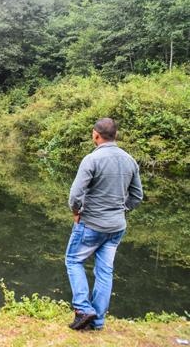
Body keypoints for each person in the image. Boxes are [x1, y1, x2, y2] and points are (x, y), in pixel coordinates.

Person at [65, 118, 143, 331]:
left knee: (73, 260)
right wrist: (122, 209)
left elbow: (75, 195)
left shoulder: (92, 159)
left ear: (96, 135)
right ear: (115, 135)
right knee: (105, 271)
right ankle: (97, 321)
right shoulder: (129, 160)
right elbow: (137, 196)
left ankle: (83, 309)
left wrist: (76, 212)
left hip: (91, 223)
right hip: (116, 227)